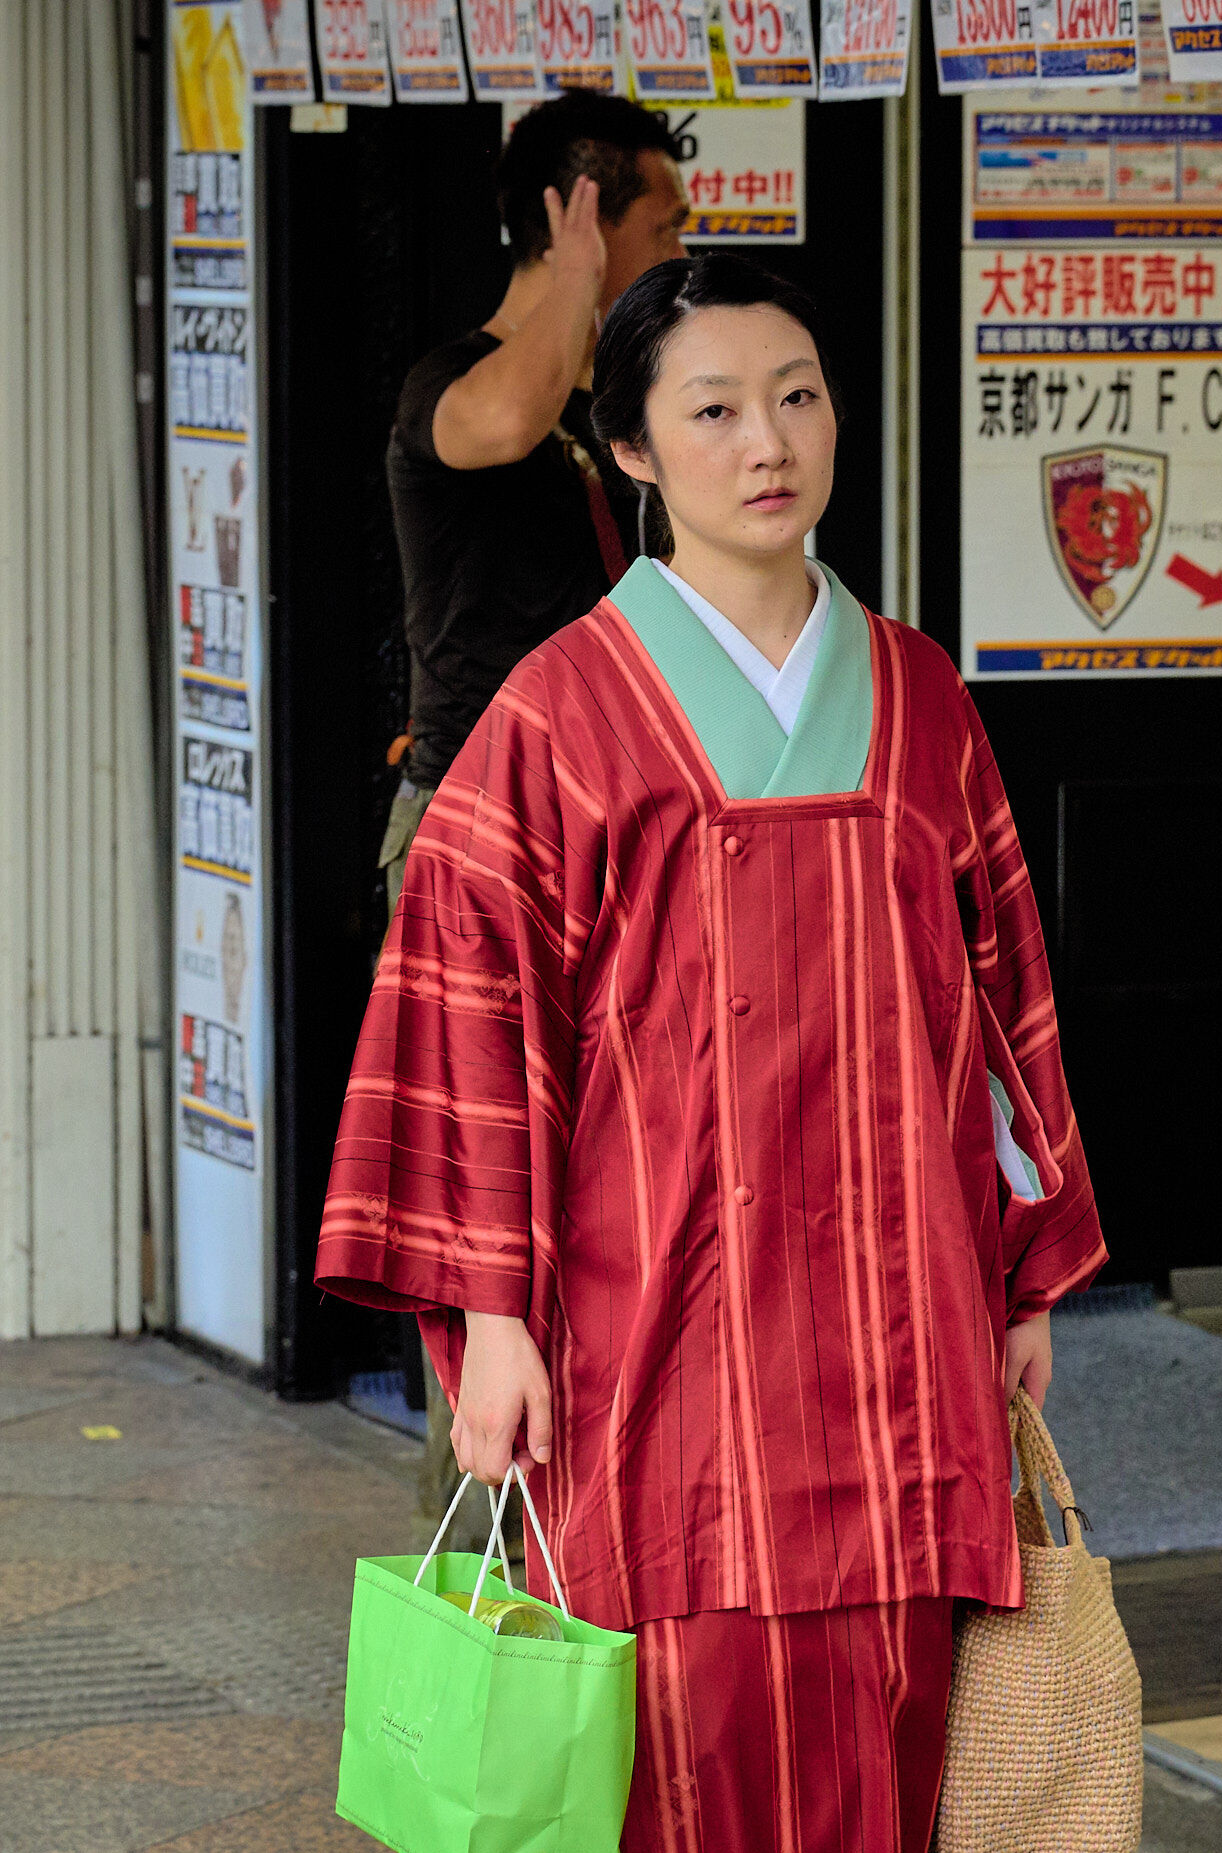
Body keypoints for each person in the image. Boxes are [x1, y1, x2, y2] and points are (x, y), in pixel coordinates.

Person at [318, 256, 1105, 1853]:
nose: (770, 442)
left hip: (897, 1294)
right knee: (702, 1687)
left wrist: (1024, 1267)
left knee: (872, 1704)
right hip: (653, 1293)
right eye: (715, 408)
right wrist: (494, 1314)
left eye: (801, 395)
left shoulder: (916, 697)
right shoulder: (560, 711)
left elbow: (999, 997)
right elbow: (468, 1018)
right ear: (628, 450)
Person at [382, 93, 689, 1528]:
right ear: (578, 212)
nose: (674, 251)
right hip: (471, 846)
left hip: (604, 835)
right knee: (478, 1211)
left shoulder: (593, 416)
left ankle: (582, 1536)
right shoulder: (459, 386)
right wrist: (572, 271)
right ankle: (480, 1561)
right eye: (657, 224)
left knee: (598, 1191)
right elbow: (501, 418)